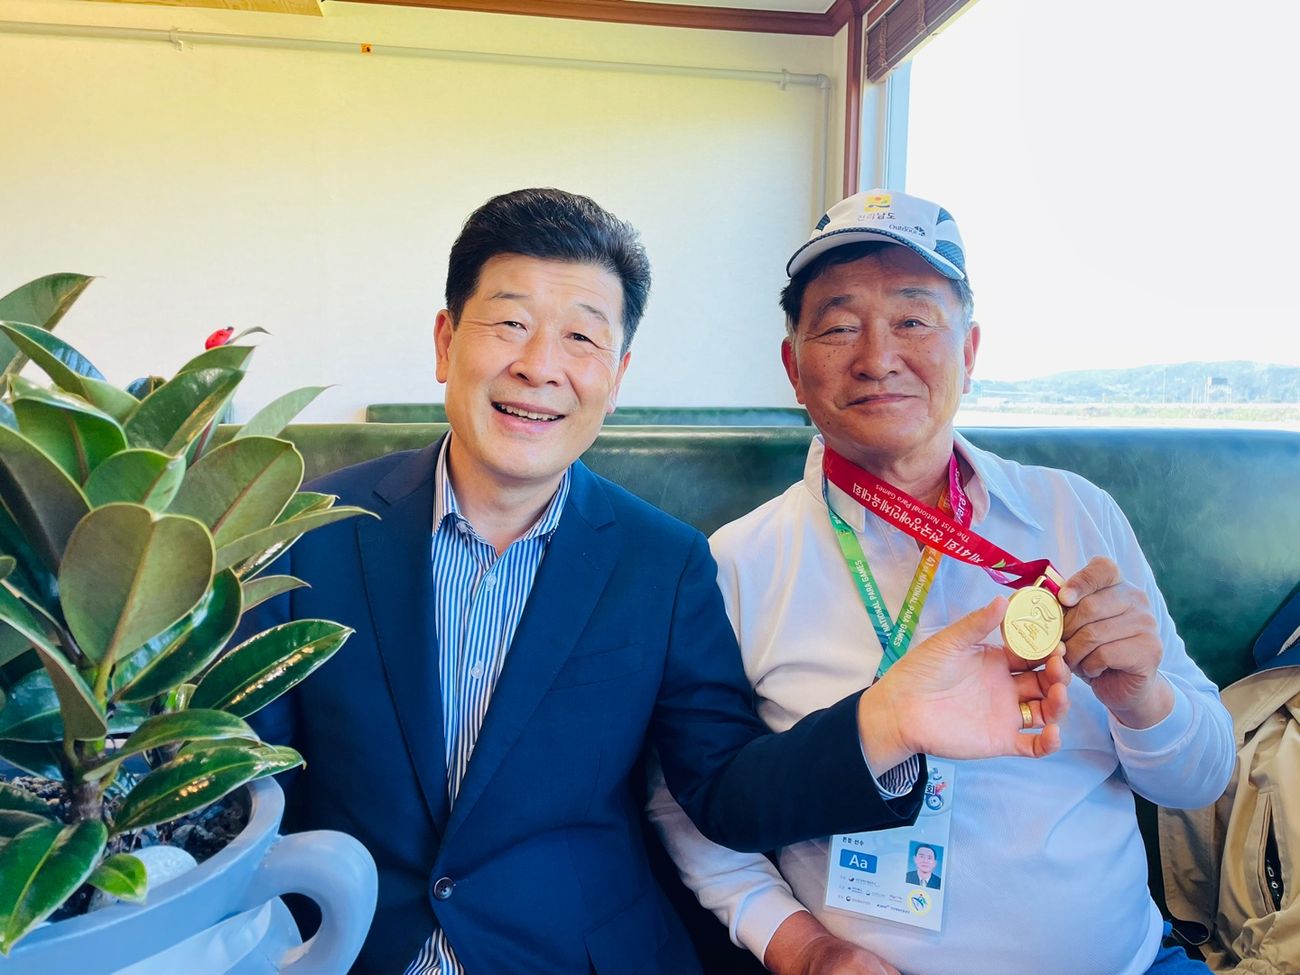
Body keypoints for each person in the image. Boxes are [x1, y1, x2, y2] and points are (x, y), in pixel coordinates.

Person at [246, 188, 1071, 975]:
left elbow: (722, 791)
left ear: (617, 373)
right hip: (343, 950)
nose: (540, 366)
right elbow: (247, 780)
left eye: (582, 337)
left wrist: (889, 720)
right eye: (509, 324)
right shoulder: (309, 531)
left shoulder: (664, 563)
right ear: (445, 341)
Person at [648, 188, 1236, 975]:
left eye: (914, 319)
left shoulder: (1075, 514)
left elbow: (1202, 777)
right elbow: (685, 800)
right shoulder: (736, 562)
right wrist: (802, 946)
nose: (877, 356)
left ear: (970, 349)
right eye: (839, 326)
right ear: (793, 367)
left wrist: (1143, 698)